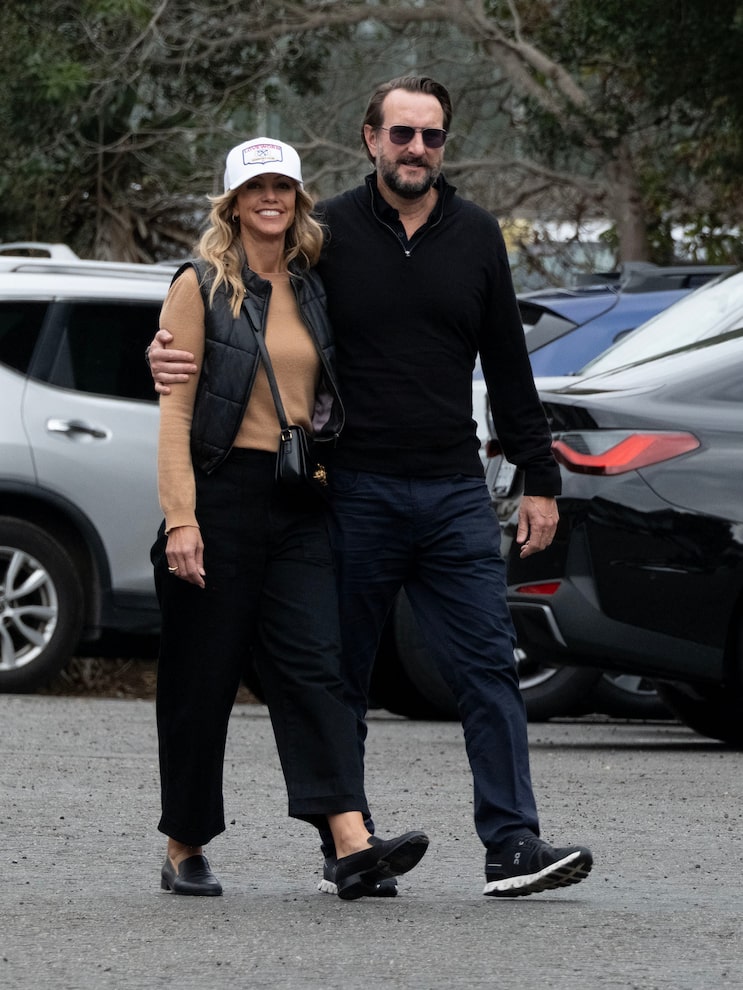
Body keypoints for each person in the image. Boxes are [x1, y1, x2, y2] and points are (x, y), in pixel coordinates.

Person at [148, 80, 594, 898]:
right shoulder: (310, 246)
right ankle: (286, 844)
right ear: (370, 139)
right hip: (332, 490)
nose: (415, 148)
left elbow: (507, 361)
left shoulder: (447, 240)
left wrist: (540, 476)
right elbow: (200, 358)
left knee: (466, 668)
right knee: (287, 677)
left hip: (421, 491)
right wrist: (158, 366)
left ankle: (500, 845)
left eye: (431, 136)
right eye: (401, 133)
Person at [151, 135, 428, 900]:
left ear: (298, 200)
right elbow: (175, 412)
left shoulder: (312, 286)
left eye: (282, 187)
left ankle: (349, 842)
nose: (269, 198)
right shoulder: (199, 285)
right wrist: (181, 519)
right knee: (201, 681)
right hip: (219, 497)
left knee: (315, 669)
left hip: (299, 498)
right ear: (233, 203)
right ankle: (183, 845)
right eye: (255, 188)